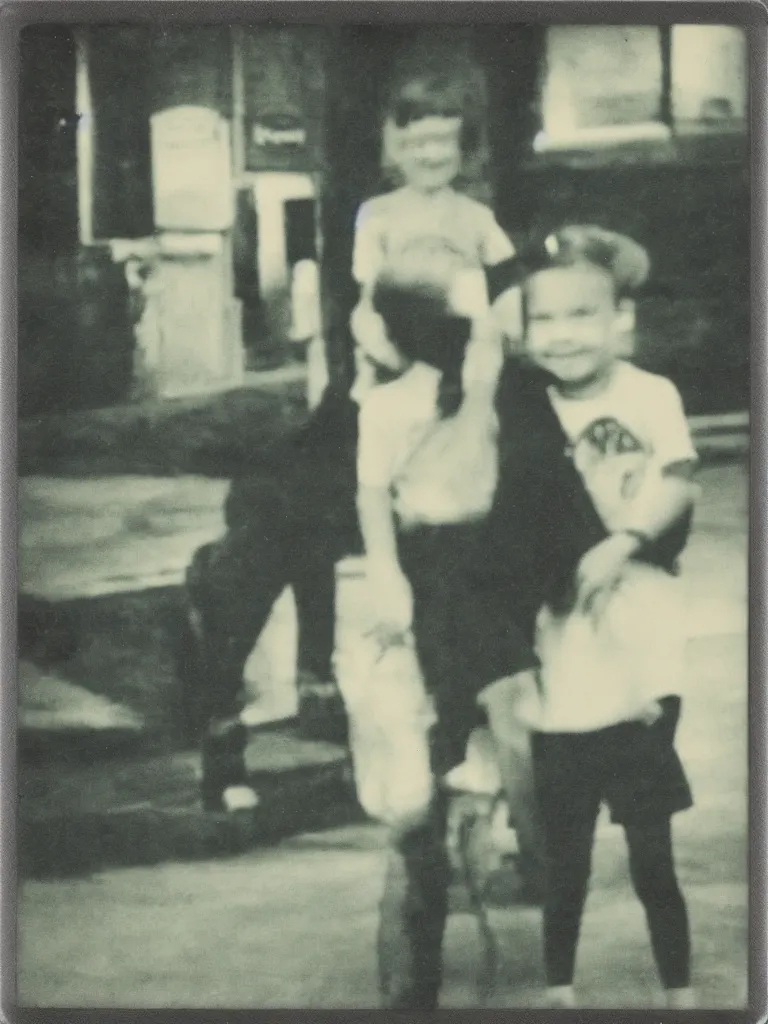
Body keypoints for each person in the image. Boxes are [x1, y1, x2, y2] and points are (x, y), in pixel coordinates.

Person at [179, 68, 517, 816]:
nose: (432, 154)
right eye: (415, 140)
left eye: (445, 141)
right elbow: (372, 312)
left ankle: (461, 741)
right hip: (377, 400)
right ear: (395, 147)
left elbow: (508, 297)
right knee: (274, 534)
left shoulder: (478, 221)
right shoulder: (378, 219)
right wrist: (390, 357)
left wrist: (497, 333)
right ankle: (222, 732)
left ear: (464, 148)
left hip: (449, 403)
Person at [504, 225, 698, 1010]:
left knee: (651, 840)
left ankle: (683, 992)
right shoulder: (521, 404)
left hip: (645, 639)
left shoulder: (650, 395)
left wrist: (624, 539)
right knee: (565, 844)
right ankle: (560, 987)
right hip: (560, 648)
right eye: (543, 319)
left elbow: (677, 480)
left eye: (584, 314)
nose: (563, 335)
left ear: (623, 317)